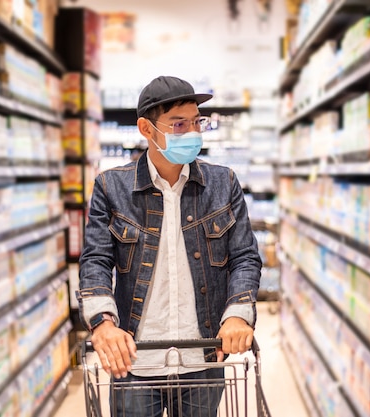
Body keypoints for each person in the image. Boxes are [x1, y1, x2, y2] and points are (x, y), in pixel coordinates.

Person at [77, 75, 262, 417]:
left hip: (203, 357)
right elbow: (96, 261)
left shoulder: (224, 183)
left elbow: (245, 257)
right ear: (146, 129)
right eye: (179, 124)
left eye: (197, 122)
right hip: (135, 361)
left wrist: (237, 313)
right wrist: (103, 323)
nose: (192, 132)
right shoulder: (110, 187)